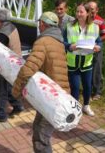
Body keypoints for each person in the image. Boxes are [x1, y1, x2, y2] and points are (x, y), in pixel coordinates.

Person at [12, 11, 70, 153]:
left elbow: (28, 69)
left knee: (41, 137)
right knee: (38, 129)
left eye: (39, 23)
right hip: (58, 94)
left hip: (52, 97)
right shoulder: (58, 42)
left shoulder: (43, 41)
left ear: (43, 24)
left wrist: (16, 91)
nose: (38, 26)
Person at [63, 3, 101, 116]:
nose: (78, 14)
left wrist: (98, 46)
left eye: (81, 12)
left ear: (88, 13)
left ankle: (86, 105)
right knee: (74, 87)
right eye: (77, 11)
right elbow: (63, 41)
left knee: (87, 86)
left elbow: (99, 41)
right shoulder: (69, 26)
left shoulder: (95, 27)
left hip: (87, 63)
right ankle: (75, 108)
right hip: (72, 62)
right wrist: (69, 46)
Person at [0, 8, 24, 122]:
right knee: (8, 88)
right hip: (15, 63)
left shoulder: (2, 33)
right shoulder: (11, 26)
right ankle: (18, 106)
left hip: (8, 66)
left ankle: (1, 115)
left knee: (0, 90)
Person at [88, 0, 105, 100]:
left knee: (97, 68)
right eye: (88, 9)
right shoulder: (84, 18)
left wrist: (97, 40)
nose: (90, 11)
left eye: (92, 9)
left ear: (97, 10)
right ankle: (87, 89)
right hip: (86, 47)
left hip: (97, 47)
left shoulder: (100, 21)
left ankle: (97, 92)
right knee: (86, 67)